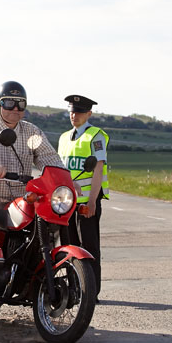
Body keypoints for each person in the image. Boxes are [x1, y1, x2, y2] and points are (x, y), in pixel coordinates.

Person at [0, 81, 64, 235]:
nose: (15, 108)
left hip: (20, 196)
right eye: (9, 103)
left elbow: (49, 157)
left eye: (21, 104)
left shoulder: (32, 132)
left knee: (45, 219)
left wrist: (66, 181)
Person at [58, 95, 109, 301]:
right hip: (65, 203)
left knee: (88, 247)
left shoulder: (95, 136)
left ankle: (91, 292)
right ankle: (73, 288)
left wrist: (91, 201)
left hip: (86, 202)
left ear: (89, 114)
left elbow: (98, 169)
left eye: (79, 112)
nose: (74, 115)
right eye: (71, 111)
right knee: (68, 245)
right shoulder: (63, 138)